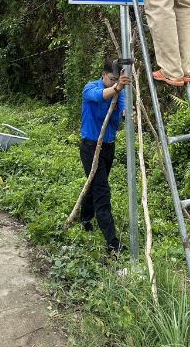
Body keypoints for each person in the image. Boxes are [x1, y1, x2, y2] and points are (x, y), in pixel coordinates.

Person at [80, 61, 130, 254]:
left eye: (117, 80)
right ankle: (112, 243)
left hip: (108, 147)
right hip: (91, 148)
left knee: (95, 184)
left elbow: (124, 110)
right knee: (102, 191)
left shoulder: (121, 93)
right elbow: (99, 96)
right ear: (103, 75)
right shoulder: (90, 88)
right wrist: (116, 87)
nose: (114, 83)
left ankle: (85, 218)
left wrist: (128, 113)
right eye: (111, 80)